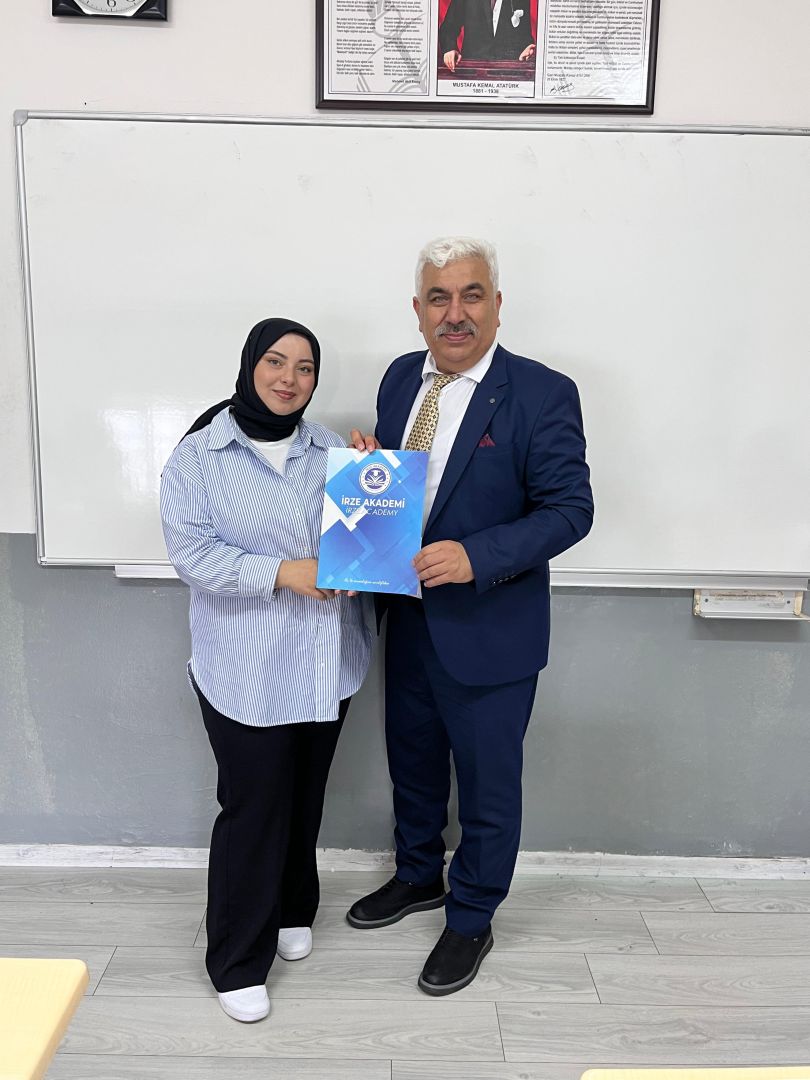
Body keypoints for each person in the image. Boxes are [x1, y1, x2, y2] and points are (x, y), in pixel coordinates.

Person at [346, 237, 593, 995]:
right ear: (418, 310)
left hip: (490, 628)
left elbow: (570, 509)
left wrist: (476, 556)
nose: (455, 314)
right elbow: (410, 488)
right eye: (439, 298)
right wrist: (372, 471)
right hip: (407, 617)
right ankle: (418, 874)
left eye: (471, 295)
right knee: (412, 762)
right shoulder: (400, 377)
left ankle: (472, 916)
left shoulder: (542, 393)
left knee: (487, 784)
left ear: (496, 304)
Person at [160, 317, 370, 1023]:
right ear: (251, 365)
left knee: (305, 797)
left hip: (324, 662)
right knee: (254, 808)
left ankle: (292, 908)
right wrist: (284, 571)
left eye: (305, 368)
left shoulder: (331, 451)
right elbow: (194, 555)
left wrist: (376, 486)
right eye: (276, 362)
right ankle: (236, 960)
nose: (289, 378)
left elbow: (362, 550)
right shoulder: (199, 456)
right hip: (244, 669)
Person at [439, 0, 536, 72]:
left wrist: (527, 49)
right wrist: (450, 48)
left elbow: (525, 36)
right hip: (472, 70)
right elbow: (448, 28)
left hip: (508, 72)